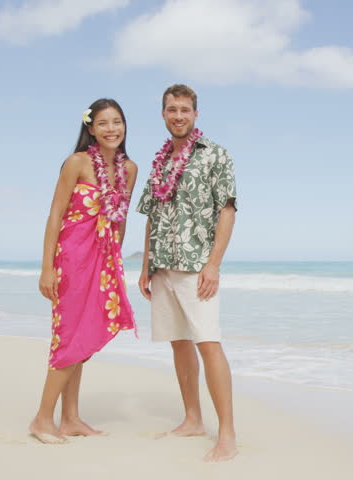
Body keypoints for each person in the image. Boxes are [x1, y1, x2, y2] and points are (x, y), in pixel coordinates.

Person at [137, 84, 238, 462]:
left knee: (208, 343)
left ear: (195, 114)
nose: (178, 116)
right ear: (163, 114)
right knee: (179, 342)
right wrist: (146, 265)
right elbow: (151, 216)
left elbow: (226, 210)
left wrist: (214, 264)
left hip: (197, 268)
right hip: (163, 267)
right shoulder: (159, 161)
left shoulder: (215, 155)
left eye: (184, 110)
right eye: (171, 110)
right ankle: (193, 419)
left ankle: (227, 434)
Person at [29, 98, 138, 444]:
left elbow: (120, 221)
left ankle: (70, 418)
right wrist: (47, 268)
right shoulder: (77, 162)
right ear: (90, 128)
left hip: (104, 262)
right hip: (72, 258)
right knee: (69, 337)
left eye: (117, 122)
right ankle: (42, 420)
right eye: (103, 123)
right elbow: (55, 215)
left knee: (84, 337)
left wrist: (115, 261)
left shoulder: (129, 169)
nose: (111, 129)